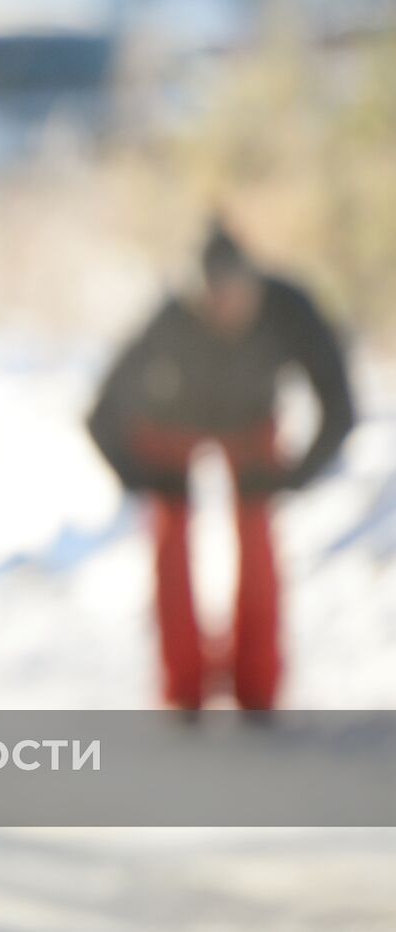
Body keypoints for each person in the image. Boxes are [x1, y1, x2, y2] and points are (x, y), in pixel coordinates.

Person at [87, 223, 355, 711]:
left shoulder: (290, 309)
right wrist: (140, 476)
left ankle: (257, 685)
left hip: (252, 429)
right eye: (211, 301)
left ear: (253, 286)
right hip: (173, 426)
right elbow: (103, 412)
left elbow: (340, 404)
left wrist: (297, 474)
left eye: (233, 297)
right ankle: (183, 685)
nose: (224, 309)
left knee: (256, 539)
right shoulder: (170, 317)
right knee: (171, 535)